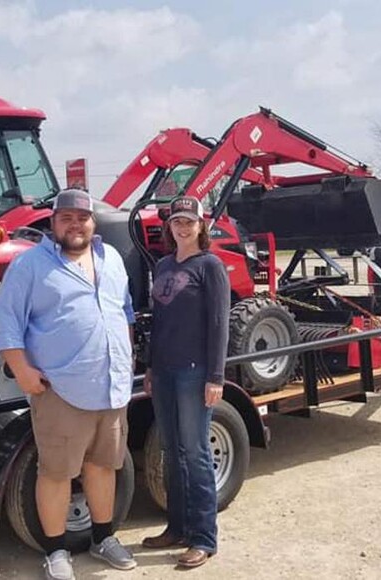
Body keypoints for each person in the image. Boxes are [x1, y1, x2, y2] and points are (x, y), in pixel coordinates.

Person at [0, 188, 137, 580]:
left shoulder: (113, 260)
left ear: (93, 222)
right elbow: (5, 321)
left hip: (111, 386)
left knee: (104, 466)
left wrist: (126, 355)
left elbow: (124, 310)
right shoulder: (30, 265)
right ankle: (56, 552)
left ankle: (103, 538)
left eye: (82, 217)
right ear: (53, 223)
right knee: (55, 472)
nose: (75, 224)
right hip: (60, 389)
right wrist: (21, 370)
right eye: (66, 218)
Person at [140, 195, 230, 568]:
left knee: (195, 453)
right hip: (163, 370)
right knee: (171, 451)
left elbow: (219, 323)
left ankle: (203, 537)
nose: (182, 227)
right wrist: (149, 366)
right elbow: (158, 323)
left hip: (195, 371)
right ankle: (175, 526)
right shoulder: (162, 264)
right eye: (177, 221)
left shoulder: (210, 266)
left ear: (201, 226)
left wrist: (216, 376)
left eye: (188, 222)